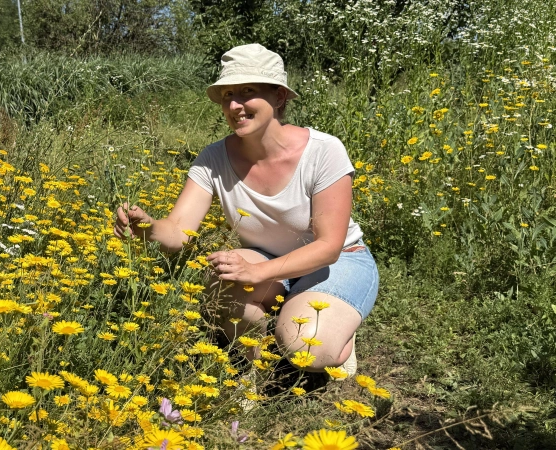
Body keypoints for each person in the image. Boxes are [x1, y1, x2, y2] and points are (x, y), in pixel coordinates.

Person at [113, 43, 379, 379]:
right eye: (227, 95)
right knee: (221, 282)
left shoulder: (323, 151)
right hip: (264, 258)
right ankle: (252, 376)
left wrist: (258, 274)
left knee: (309, 350)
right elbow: (179, 231)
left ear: (279, 97)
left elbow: (328, 246)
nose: (235, 105)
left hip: (337, 261)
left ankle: (338, 333)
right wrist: (148, 227)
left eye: (247, 92)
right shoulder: (213, 158)